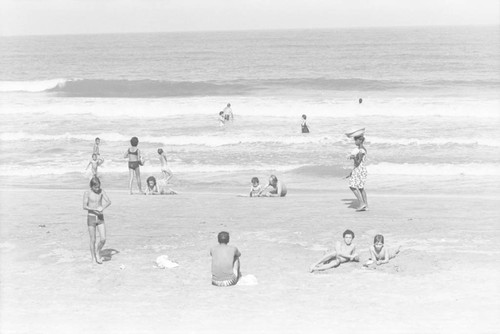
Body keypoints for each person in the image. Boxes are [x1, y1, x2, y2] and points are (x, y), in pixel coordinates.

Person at [83, 177, 111, 264]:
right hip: (91, 217)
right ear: (91, 186)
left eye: (98, 187)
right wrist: (94, 209)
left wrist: (102, 207)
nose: (97, 189)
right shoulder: (87, 193)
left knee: (103, 239)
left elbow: (109, 201)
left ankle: (98, 252)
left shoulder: (101, 191)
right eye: (95, 187)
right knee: (93, 239)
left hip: (100, 217)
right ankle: (93, 258)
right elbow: (84, 206)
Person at [347, 135, 368, 211]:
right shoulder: (363, 149)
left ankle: (361, 203)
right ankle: (366, 205)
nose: (355, 142)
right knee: (361, 188)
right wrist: (352, 171)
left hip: (359, 169)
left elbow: (358, 163)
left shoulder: (361, 150)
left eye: (356, 140)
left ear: (360, 141)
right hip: (361, 170)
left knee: (352, 186)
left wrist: (353, 157)